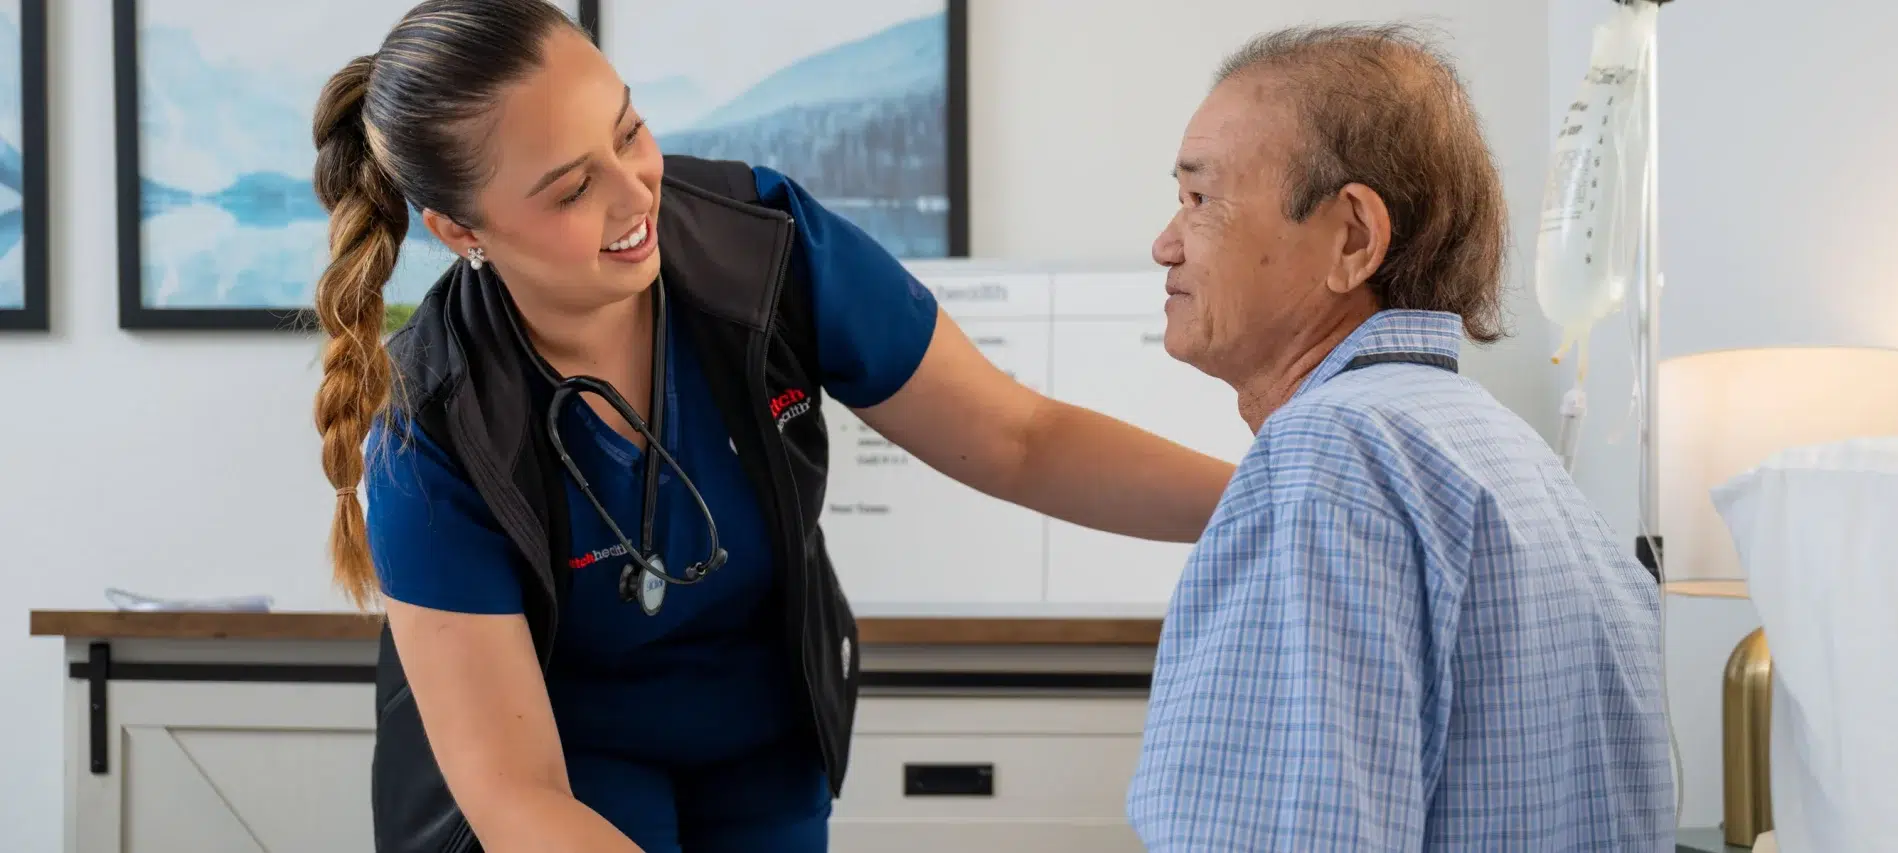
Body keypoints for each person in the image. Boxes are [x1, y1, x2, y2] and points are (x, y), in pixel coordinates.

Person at [308, 3, 1235, 852]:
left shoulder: (767, 249)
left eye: (629, 130)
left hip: (764, 733)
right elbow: (517, 794)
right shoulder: (431, 425)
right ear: (461, 229)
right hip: (562, 768)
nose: (637, 198)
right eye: (570, 190)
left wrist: (1277, 490)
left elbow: (1019, 438)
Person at [1125, 24, 1674, 852]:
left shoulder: (1324, 460)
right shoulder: (1512, 456)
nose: (1165, 242)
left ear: (1352, 237)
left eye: (1201, 200)